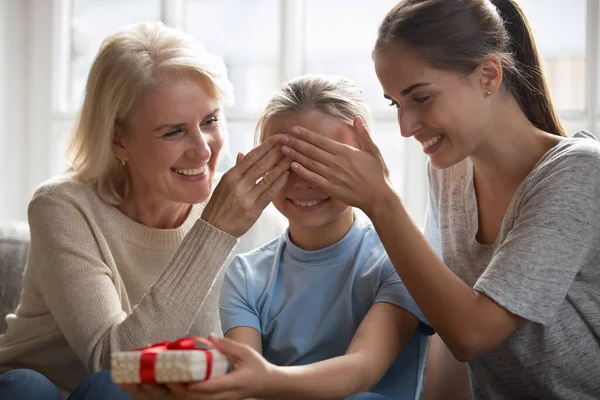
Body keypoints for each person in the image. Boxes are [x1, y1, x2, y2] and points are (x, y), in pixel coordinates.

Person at [274, 1, 600, 399]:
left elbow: (471, 333)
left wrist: (381, 201)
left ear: (488, 76)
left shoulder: (580, 172)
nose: (406, 127)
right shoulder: (451, 171)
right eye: (396, 103)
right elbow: (446, 331)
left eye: (421, 98)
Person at [0, 21, 290, 399]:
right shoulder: (62, 207)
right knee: (39, 387)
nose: (203, 151)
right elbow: (114, 362)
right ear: (119, 140)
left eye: (210, 121)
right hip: (43, 389)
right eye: (173, 131)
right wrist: (214, 233)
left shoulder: (251, 215)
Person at [153, 75, 433, 400]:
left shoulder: (401, 262)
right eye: (285, 160)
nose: (303, 180)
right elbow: (246, 384)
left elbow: (361, 371)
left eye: (323, 160)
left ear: (364, 160)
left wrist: (265, 378)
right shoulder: (247, 275)